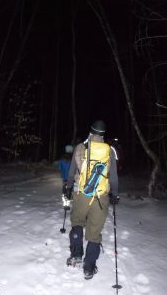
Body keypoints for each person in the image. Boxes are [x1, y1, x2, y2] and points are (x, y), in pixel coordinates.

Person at [64, 120, 119, 280]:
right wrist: (114, 194)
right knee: (94, 233)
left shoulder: (80, 147)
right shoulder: (110, 151)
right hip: (101, 198)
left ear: (91, 131)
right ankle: (89, 267)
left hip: (82, 195)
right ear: (103, 134)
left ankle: (76, 255)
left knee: (77, 223)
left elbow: (71, 172)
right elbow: (114, 178)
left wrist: (68, 187)